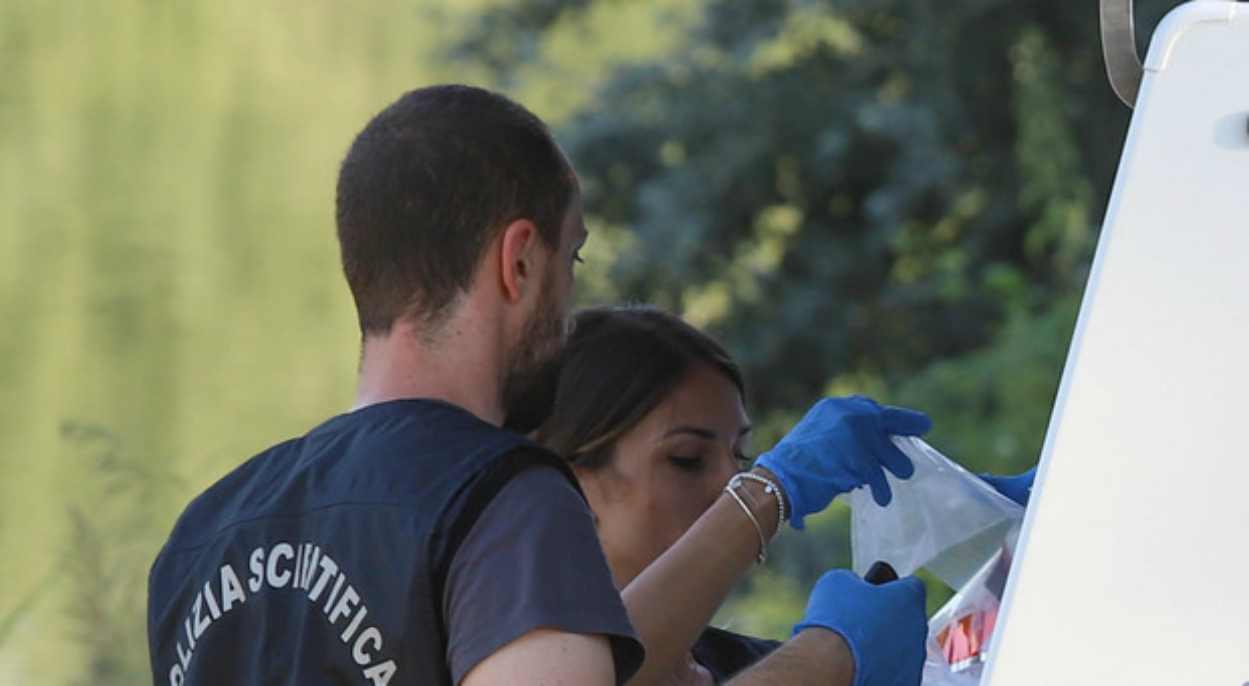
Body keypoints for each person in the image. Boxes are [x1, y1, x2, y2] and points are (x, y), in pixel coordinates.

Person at [146, 84, 931, 686]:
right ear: (518, 261)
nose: (570, 302)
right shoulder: (499, 497)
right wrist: (825, 661)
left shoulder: (201, 539)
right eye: (571, 261)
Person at [536, 305, 1039, 683]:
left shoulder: (741, 663)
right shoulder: (492, 654)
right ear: (568, 486)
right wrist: (823, 659)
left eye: (743, 459)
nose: (730, 485)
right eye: (686, 459)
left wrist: (1003, 572)